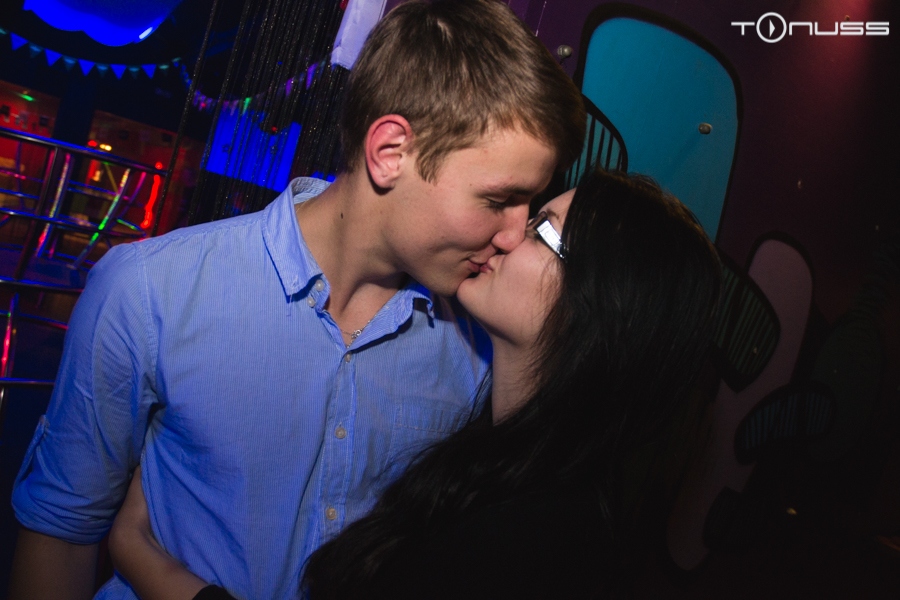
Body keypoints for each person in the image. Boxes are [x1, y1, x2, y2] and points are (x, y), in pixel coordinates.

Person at [8, 1, 585, 598]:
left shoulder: (478, 349)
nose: (515, 234)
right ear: (390, 154)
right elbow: (61, 532)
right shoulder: (151, 290)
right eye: (498, 200)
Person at [107, 168, 723, 599]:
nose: (508, 234)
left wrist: (143, 557)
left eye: (543, 229)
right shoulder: (495, 455)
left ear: (600, 308)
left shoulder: (543, 541)